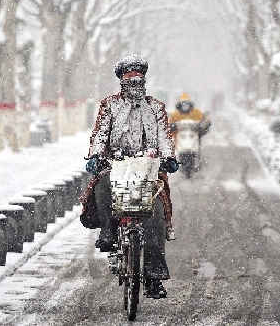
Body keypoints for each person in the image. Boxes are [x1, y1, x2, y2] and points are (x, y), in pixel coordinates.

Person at [80, 54, 179, 300]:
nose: (134, 79)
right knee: (102, 184)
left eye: (138, 76)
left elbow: (165, 138)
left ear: (144, 79)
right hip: (116, 164)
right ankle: (107, 232)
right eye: (129, 76)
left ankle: (154, 278)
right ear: (121, 79)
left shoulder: (156, 107)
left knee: (155, 217)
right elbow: (100, 134)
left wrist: (168, 157)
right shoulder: (109, 105)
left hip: (148, 169)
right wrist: (95, 156)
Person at [169, 93, 211, 168]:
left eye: (186, 104)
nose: (185, 106)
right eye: (183, 104)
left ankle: (197, 159)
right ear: (179, 105)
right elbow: (169, 122)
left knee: (198, 143)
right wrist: (171, 125)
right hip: (180, 135)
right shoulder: (175, 114)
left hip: (194, 134)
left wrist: (204, 124)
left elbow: (204, 119)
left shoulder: (196, 113)